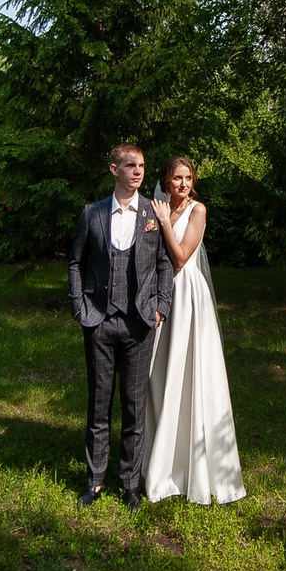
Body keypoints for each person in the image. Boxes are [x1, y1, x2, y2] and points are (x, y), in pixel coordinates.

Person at [68, 142, 174, 508]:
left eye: (142, 165)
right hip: (98, 321)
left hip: (140, 323)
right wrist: (79, 307)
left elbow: (165, 263)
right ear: (114, 169)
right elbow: (75, 263)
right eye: (130, 165)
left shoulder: (153, 213)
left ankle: (129, 484)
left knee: (133, 407)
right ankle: (94, 481)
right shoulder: (92, 213)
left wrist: (161, 306)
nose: (138, 171)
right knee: (98, 406)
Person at [144, 156, 247, 504]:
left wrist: (162, 223)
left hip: (187, 295)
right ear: (166, 181)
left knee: (190, 373)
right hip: (162, 295)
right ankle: (160, 459)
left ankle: (195, 468)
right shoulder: (159, 210)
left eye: (188, 178)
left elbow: (181, 257)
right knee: (160, 373)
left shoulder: (197, 211)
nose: (183, 184)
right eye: (177, 178)